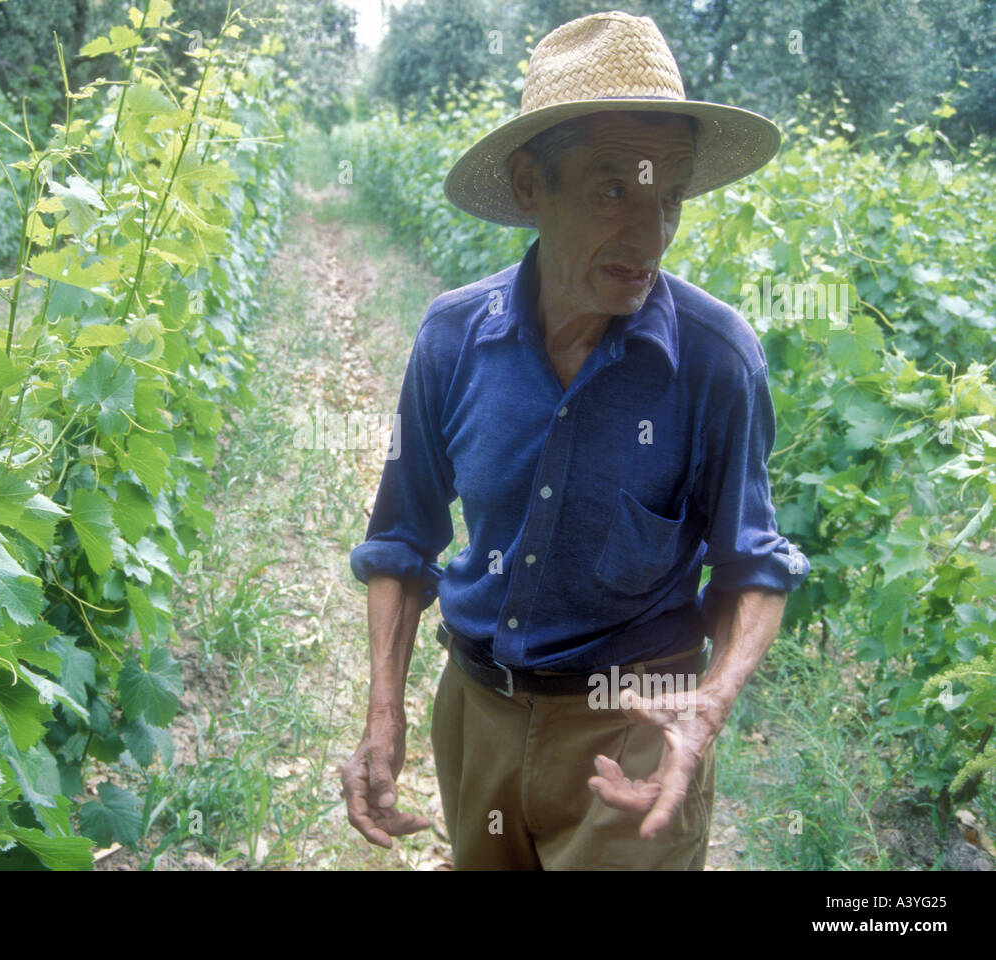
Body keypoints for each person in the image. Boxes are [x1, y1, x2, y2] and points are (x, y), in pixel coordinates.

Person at [341, 10, 811, 870]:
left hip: (631, 732)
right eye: (612, 189)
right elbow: (402, 542)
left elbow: (752, 565)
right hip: (475, 715)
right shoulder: (451, 340)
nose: (648, 235)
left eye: (668, 197)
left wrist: (709, 702)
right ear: (529, 185)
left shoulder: (716, 361)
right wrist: (384, 712)